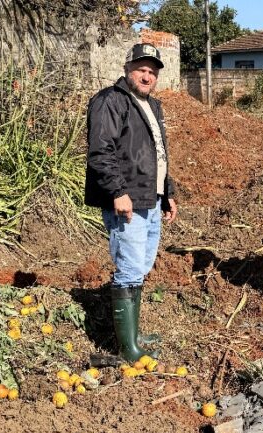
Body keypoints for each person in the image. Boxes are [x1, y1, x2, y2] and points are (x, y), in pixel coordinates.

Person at [84, 43, 178, 362]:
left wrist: (168, 193)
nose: (147, 75)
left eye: (152, 71)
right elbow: (101, 152)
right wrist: (117, 191)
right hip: (126, 199)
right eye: (141, 69)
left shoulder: (152, 106)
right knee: (129, 268)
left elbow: (158, 155)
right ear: (127, 69)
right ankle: (127, 349)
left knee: (140, 266)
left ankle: (133, 336)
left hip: (150, 198)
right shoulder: (110, 101)